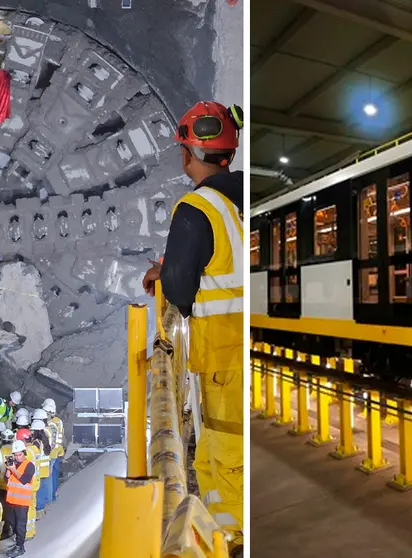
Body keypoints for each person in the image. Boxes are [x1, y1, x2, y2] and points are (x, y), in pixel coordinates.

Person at [141, 100, 244, 553]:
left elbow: (180, 291)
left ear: (188, 154)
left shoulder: (197, 207)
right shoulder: (244, 195)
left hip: (226, 356)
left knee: (225, 457)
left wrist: (162, 275)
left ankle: (233, 540)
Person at [2, 441, 33, 558]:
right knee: (13, 524)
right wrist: (8, 472)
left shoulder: (29, 465)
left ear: (24, 453)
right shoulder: (13, 465)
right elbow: (7, 481)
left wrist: (13, 470)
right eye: (15, 455)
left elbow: (24, 480)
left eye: (19, 454)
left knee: (20, 525)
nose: (16, 457)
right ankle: (18, 543)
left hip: (22, 502)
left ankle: (20, 546)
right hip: (11, 501)